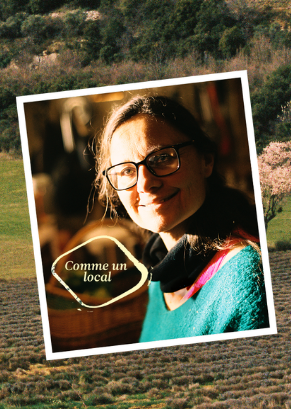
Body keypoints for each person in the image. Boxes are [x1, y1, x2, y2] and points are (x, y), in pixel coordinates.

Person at [93, 95, 269, 342]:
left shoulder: (245, 276)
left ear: (205, 161)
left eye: (162, 158)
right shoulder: (162, 273)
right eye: (126, 171)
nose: (145, 184)